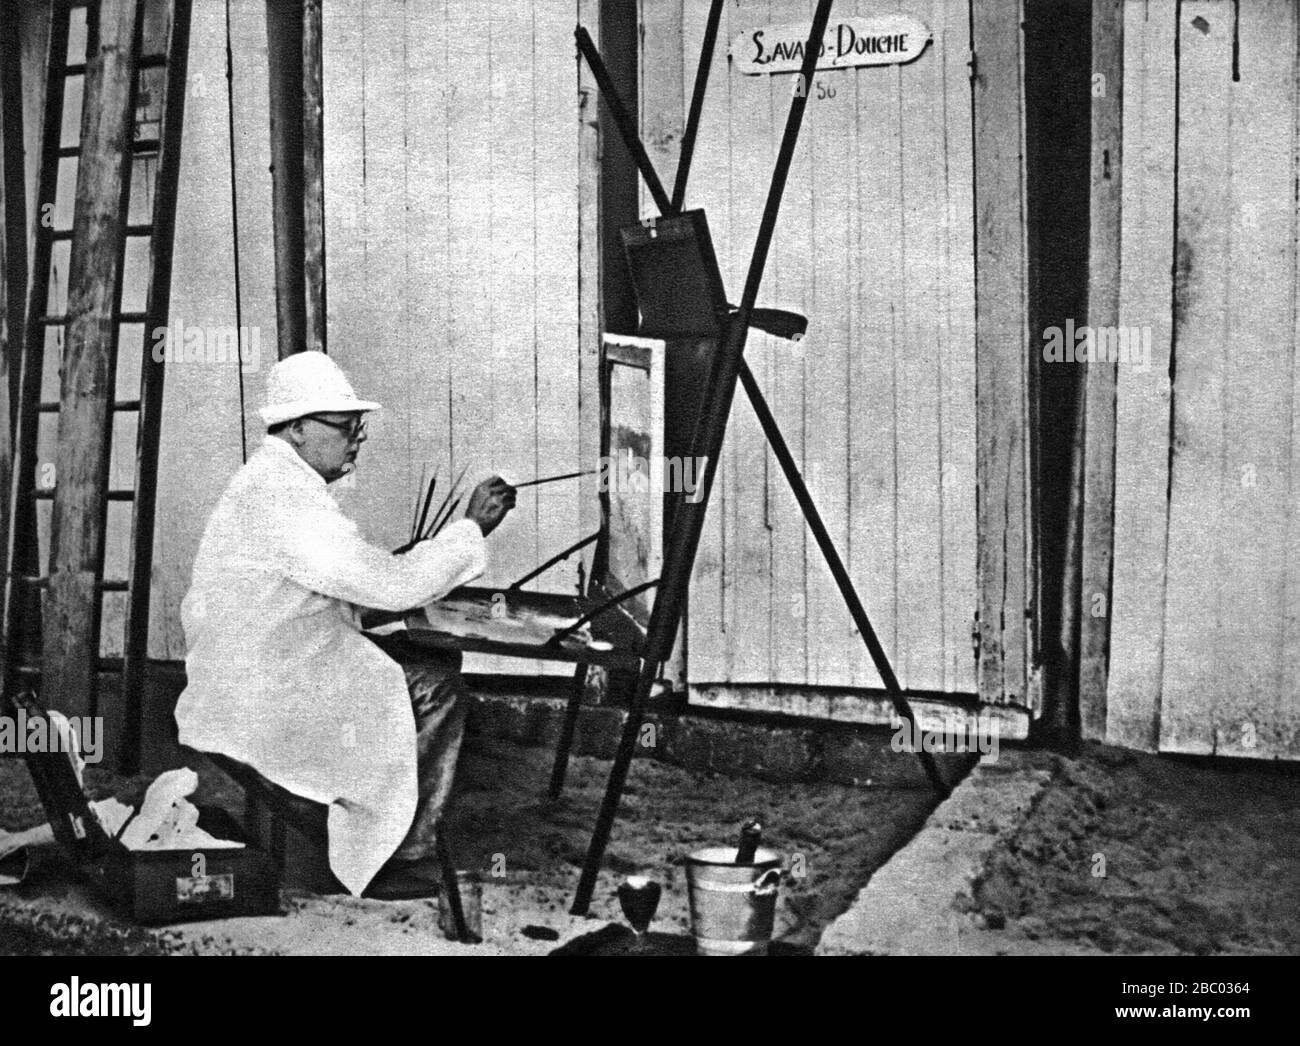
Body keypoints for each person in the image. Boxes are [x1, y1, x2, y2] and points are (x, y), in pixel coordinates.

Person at [174, 351, 515, 896]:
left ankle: (385, 827)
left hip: (265, 662)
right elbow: (393, 587)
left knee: (425, 663)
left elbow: (359, 581)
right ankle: (389, 859)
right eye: (346, 427)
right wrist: (471, 528)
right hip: (264, 684)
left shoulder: (277, 481)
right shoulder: (284, 498)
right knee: (437, 688)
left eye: (359, 427)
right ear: (301, 429)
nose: (357, 439)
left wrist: (419, 562)